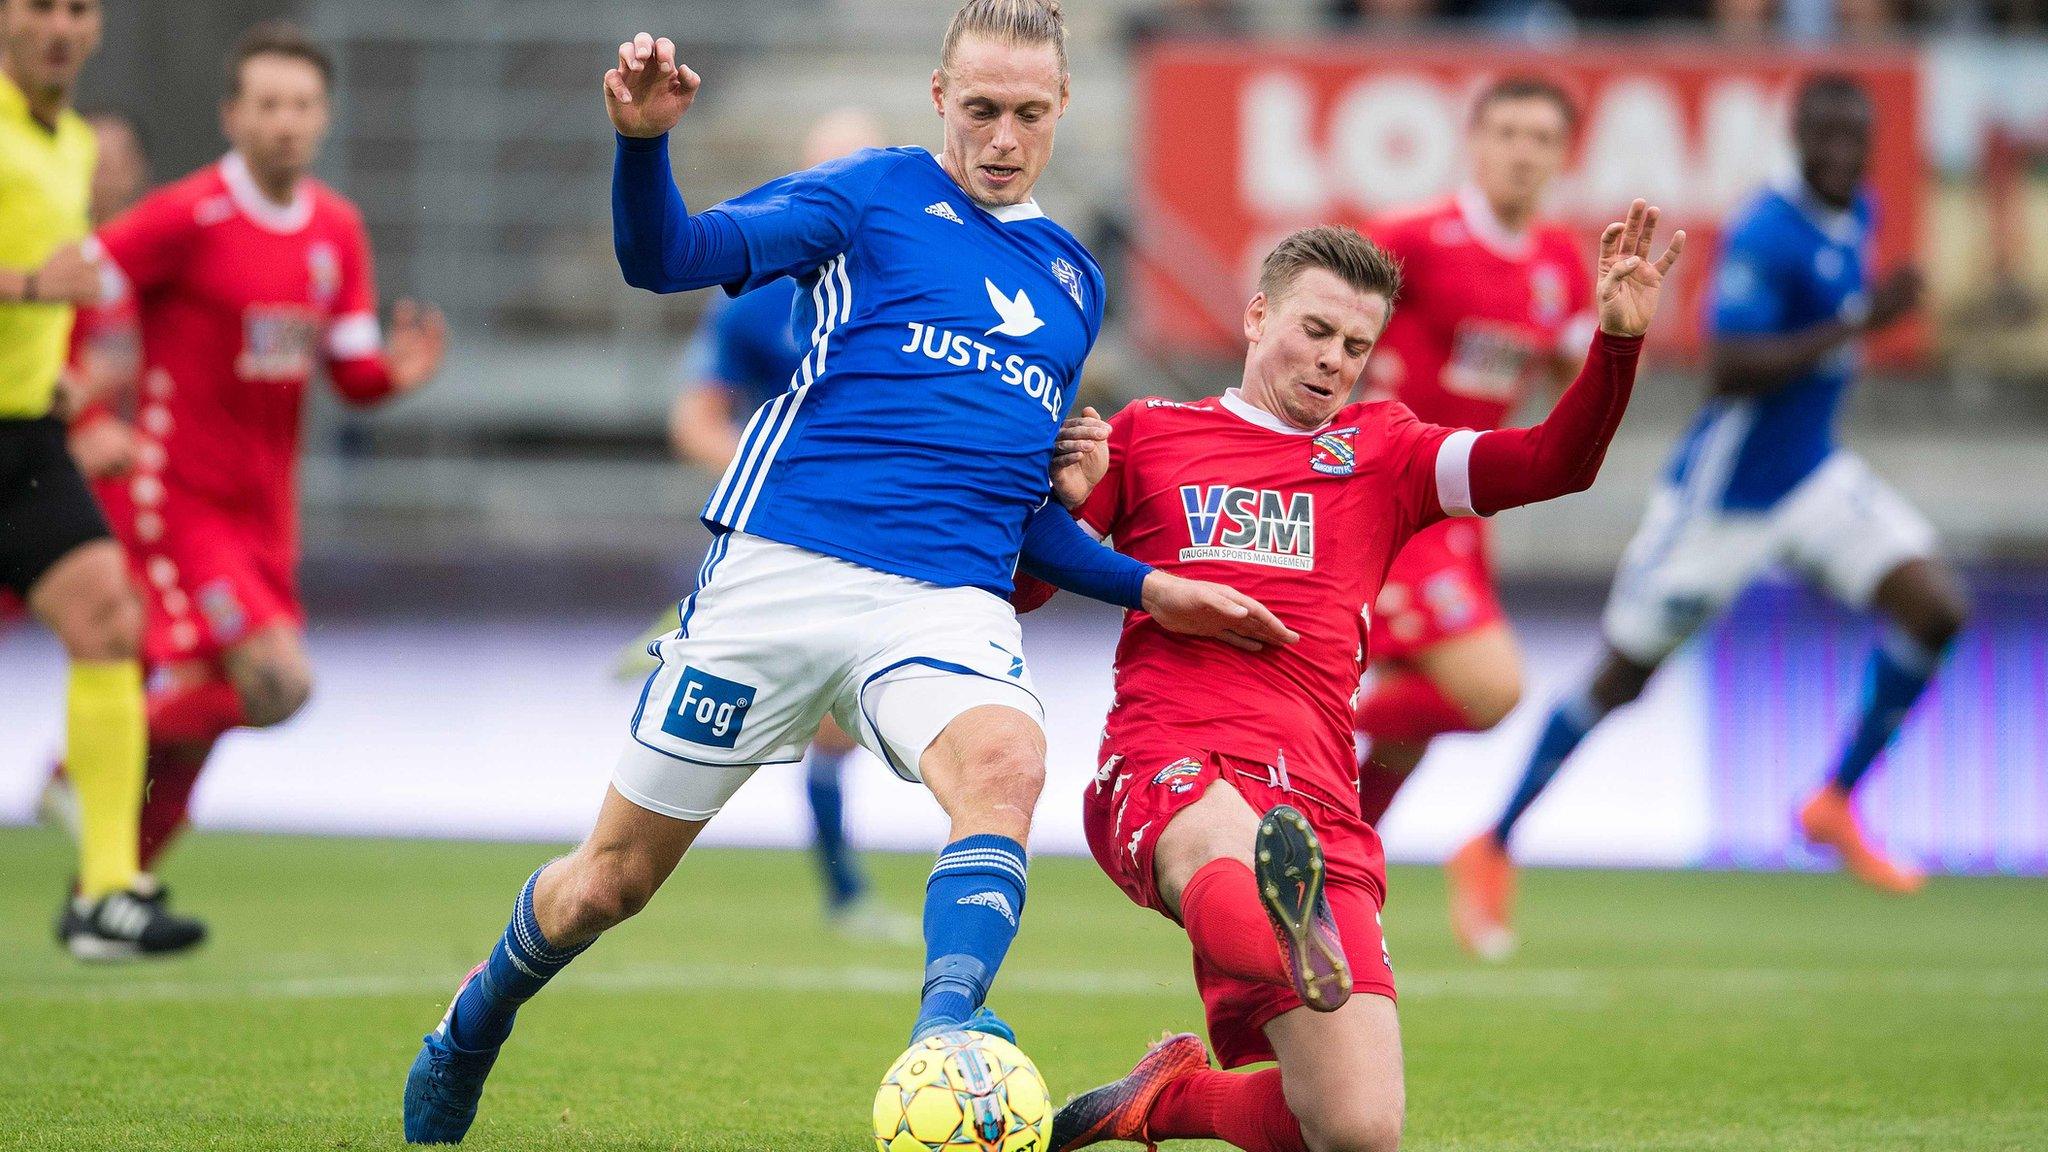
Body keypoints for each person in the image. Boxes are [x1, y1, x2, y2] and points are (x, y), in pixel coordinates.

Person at [401, 3, 1291, 1143]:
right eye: (979, 109)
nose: (1002, 136)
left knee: (1006, 761)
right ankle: (474, 1021)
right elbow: (662, 257)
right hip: (782, 573)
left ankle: (948, 1033)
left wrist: (1142, 582)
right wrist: (640, 143)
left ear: (1063, 110)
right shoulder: (864, 196)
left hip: (942, 600)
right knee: (608, 883)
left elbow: (1016, 516)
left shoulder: (1071, 282)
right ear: (938, 98)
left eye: (1027, 112)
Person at [1023, 209, 1681, 1152]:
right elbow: (1027, 588)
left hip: (1319, 795)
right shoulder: (1150, 435)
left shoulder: (1388, 450)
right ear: (1257, 318)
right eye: (1317, 331)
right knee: (1232, 856)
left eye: (1357, 346)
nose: (1336, 359)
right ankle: (1281, 920)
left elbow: (1552, 462)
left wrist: (1617, 343)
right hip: (1176, 755)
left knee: (1355, 1129)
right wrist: (1066, 502)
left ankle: (1168, 1098)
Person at [1454, 72, 1967, 960]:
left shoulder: (1862, 212)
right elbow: (1728, 367)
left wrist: (1857, 319)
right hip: (1721, 501)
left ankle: (1834, 800)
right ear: (1796, 135)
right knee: (1623, 678)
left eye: (1856, 135)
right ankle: (1492, 842)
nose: (1842, 151)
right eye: (1825, 135)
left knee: (1938, 607)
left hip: (1808, 479)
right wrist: (1857, 320)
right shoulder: (1767, 232)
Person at [77, 22, 447, 902]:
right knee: (279, 684)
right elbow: (72, 287)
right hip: (179, 496)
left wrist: (395, 376)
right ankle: (80, 765)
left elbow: (351, 373)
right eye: (270, 104)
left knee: (209, 716)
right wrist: (86, 410)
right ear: (232, 115)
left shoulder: (336, 230)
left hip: (265, 512)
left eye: (304, 105)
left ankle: (113, 889)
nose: (288, 122)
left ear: (324, 116)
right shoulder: (186, 214)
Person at [630, 107, 918, 941]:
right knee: (771, 722)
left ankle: (842, 894)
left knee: (832, 728)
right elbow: (694, 419)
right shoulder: (757, 301)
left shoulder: (917, 293)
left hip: (880, 539)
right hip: (780, 543)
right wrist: (778, 481)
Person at [1, 0, 203, 959]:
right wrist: (35, 287)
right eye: (40, 5)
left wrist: (68, 395)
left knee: (110, 624)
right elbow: (39, 286)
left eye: (78, 8)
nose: (59, 26)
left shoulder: (74, 144)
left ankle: (106, 892)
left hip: (26, 437)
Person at [1350, 77, 1596, 830]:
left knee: (1403, 736)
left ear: (1564, 157)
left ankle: (1330, 861)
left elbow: (1586, 376)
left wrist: (1619, 337)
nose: (1523, 153)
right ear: (1476, 142)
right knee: (1488, 690)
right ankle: (1283, 721)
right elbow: (1311, 323)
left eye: (1542, 139)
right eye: (1508, 134)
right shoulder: (1411, 236)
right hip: (1391, 483)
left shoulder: (1558, 263)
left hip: (1462, 501)